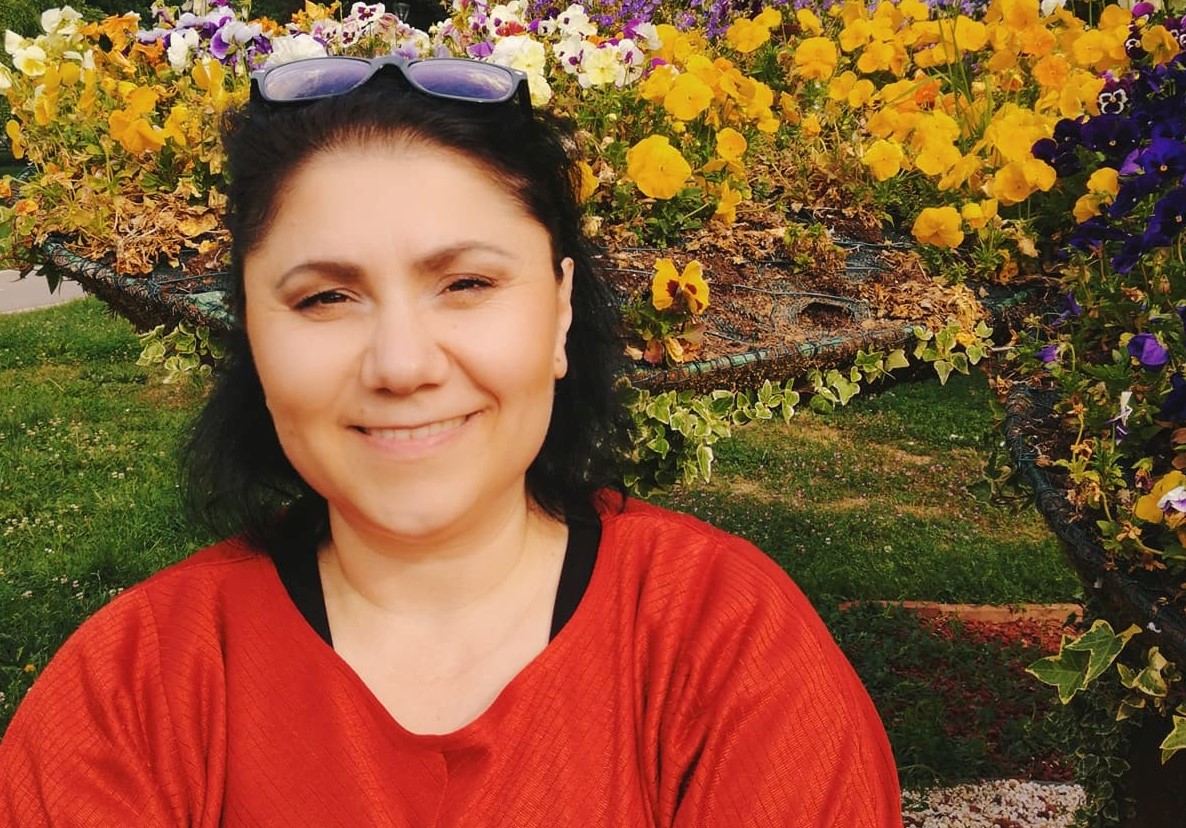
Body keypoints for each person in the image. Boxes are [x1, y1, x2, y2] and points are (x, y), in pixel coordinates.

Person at [0, 55, 902, 825]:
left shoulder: (732, 651)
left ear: (559, 311)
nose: (401, 364)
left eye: (466, 284)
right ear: (252, 334)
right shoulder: (128, 701)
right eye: (325, 297)